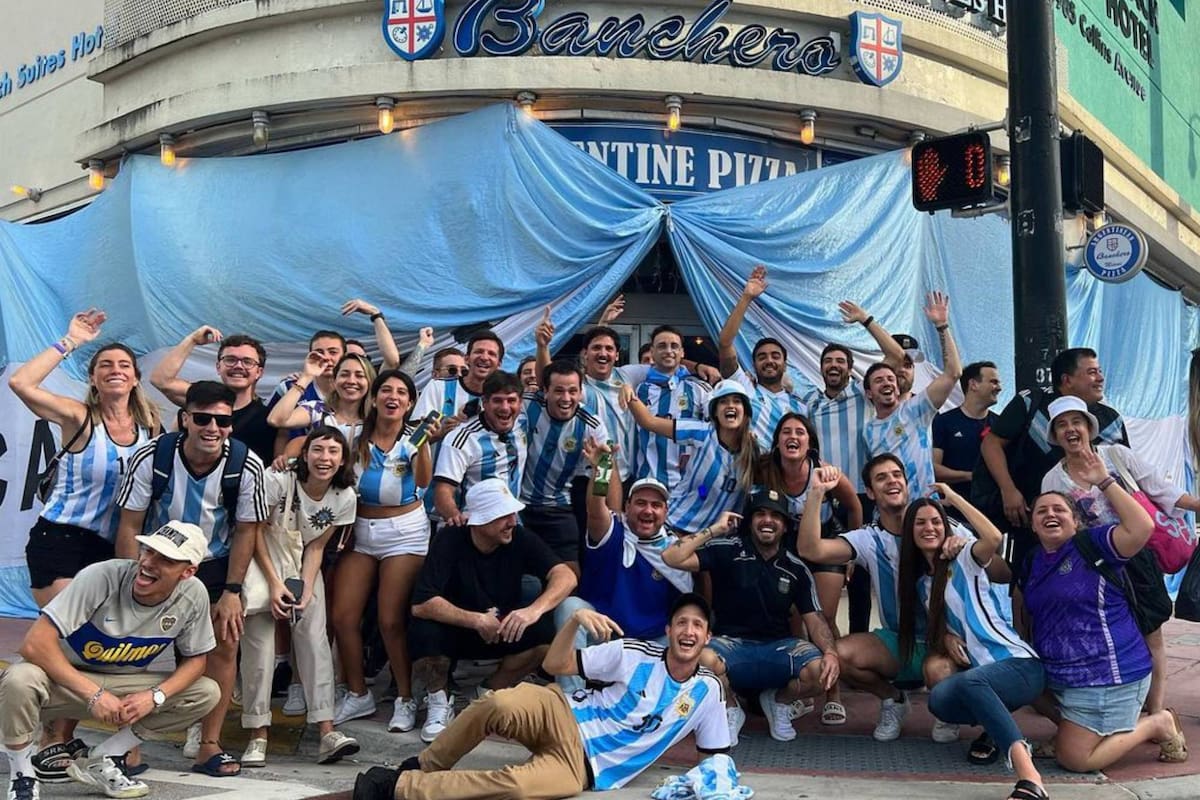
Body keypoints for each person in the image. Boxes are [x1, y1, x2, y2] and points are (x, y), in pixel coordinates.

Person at [351, 593, 729, 800]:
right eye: (682, 623)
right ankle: (423, 765)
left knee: (516, 787)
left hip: (585, 768)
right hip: (561, 712)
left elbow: (715, 761)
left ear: (707, 637)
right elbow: (554, 663)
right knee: (497, 703)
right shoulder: (633, 653)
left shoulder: (708, 691)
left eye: (697, 625)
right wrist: (574, 621)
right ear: (668, 630)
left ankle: (400, 788)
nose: (689, 631)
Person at [9, 309, 165, 782]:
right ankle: (42, 736)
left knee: (100, 645)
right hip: (59, 540)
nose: (115, 371)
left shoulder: (151, 430)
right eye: (105, 366)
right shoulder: (79, 417)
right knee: (70, 637)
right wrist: (71, 341)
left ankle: (62, 736)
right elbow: (20, 383)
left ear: (135, 379)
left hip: (112, 546)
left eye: (124, 365)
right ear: (94, 381)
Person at [0, 521, 220, 800]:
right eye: (148, 551)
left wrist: (154, 697)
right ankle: (22, 776)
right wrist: (95, 695)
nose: (148, 562)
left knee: (206, 692)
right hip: (66, 682)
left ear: (188, 572)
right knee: (19, 679)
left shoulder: (194, 594)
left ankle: (104, 757)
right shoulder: (102, 576)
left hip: (124, 685)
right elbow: (34, 643)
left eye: (165, 559)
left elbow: (196, 661)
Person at [115, 381, 268, 777]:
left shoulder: (246, 464)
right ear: (185, 419)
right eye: (202, 419)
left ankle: (209, 746)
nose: (213, 428)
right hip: (154, 560)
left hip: (213, 565)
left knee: (224, 647)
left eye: (223, 421)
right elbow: (130, 523)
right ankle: (125, 748)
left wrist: (233, 591)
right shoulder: (153, 456)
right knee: (133, 649)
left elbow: (247, 531)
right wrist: (130, 579)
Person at [1041, 396, 1200, 717]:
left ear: (1089, 428)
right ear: (1055, 436)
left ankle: (1156, 711)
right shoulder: (1052, 479)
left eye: (1077, 422)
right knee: (1108, 637)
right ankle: (1121, 707)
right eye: (1062, 425)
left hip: (1138, 560)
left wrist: (1196, 505)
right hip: (1092, 569)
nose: (1071, 429)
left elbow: (1161, 489)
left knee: (1151, 634)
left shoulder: (1117, 456)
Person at [1019, 469, 1187, 772]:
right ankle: (1079, 731)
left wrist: (1104, 481)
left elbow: (1141, 527)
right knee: (1022, 681)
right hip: (1061, 676)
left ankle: (1157, 723)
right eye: (1041, 511)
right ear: (1032, 524)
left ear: (1076, 520)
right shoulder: (1032, 560)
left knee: (1074, 759)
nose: (1050, 514)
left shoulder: (1094, 545)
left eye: (1059, 509)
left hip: (1107, 675)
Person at [894, 486, 1047, 800]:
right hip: (982, 678)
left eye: (936, 521)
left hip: (1019, 665)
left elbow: (993, 538)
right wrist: (945, 636)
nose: (929, 528)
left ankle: (1030, 778)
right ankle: (995, 729)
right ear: (909, 532)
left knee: (970, 682)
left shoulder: (964, 556)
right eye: (920, 523)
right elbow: (942, 623)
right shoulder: (922, 584)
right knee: (940, 700)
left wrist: (954, 499)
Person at [797, 456, 961, 742]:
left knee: (940, 671)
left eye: (897, 474)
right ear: (871, 492)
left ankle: (947, 712)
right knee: (839, 655)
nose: (892, 481)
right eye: (882, 477)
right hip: (899, 642)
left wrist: (964, 545)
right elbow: (811, 550)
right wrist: (816, 492)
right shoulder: (869, 538)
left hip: (947, 644)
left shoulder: (938, 525)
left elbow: (997, 567)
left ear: (907, 485)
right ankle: (893, 700)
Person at [663, 490, 841, 744]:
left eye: (776, 516)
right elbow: (671, 557)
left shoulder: (796, 568)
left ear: (785, 525)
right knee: (700, 658)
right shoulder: (727, 548)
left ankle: (779, 702)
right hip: (729, 647)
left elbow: (815, 620)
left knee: (823, 669)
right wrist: (714, 529)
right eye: (760, 514)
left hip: (778, 649)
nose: (767, 520)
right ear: (749, 521)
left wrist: (831, 653)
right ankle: (730, 707)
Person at [408, 479, 576, 743]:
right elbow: (422, 603)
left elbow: (566, 575)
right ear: (480, 520)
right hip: (456, 632)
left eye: (512, 514)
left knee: (547, 634)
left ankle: (488, 691)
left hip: (501, 629)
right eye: (502, 516)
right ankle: (439, 700)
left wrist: (532, 611)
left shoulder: (519, 537)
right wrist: (476, 620)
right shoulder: (450, 538)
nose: (512, 521)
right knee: (424, 630)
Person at [239, 427, 360, 766]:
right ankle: (257, 733)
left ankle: (327, 731)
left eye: (333, 452)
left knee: (314, 639)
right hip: (262, 558)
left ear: (343, 460)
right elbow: (254, 531)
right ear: (305, 454)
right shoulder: (279, 479)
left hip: (301, 561)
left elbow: (317, 546)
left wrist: (305, 589)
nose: (325, 458)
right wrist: (274, 582)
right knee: (260, 647)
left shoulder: (345, 496)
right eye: (318, 450)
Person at [331, 370, 435, 733]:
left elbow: (423, 481)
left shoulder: (415, 438)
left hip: (404, 532)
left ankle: (406, 697)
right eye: (386, 390)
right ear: (373, 398)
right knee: (343, 617)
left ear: (410, 403)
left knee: (390, 621)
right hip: (359, 529)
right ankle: (358, 693)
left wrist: (424, 445)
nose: (393, 397)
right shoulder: (353, 435)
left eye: (401, 392)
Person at [974, 347, 1128, 570]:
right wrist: (1008, 490)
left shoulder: (1111, 419)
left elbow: (1128, 475)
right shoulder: (1031, 402)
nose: (1100, 378)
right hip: (1032, 523)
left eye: (1100, 371)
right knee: (1032, 578)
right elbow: (991, 444)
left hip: (1103, 535)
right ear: (1067, 380)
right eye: (1092, 372)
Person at [756, 412, 861, 725]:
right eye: (786, 432)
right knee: (792, 616)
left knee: (823, 616)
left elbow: (854, 506)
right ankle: (800, 687)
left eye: (800, 432)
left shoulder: (824, 472)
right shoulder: (766, 470)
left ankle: (833, 692)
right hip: (789, 545)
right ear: (777, 441)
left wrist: (853, 552)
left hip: (825, 542)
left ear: (809, 442)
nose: (793, 437)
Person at [623, 379, 757, 540]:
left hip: (715, 542)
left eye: (737, 401)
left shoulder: (754, 451)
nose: (730, 406)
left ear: (745, 411)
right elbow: (649, 422)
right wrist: (627, 390)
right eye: (723, 402)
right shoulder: (702, 432)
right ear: (715, 412)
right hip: (675, 527)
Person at [861, 291, 962, 499]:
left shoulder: (918, 408)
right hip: (889, 511)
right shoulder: (868, 430)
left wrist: (942, 326)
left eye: (908, 365)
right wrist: (865, 319)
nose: (902, 370)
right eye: (897, 364)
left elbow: (953, 372)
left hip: (924, 509)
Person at [516, 360, 608, 571]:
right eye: (559, 391)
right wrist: (467, 410)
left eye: (573, 391)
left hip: (558, 509)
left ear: (581, 392)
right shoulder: (527, 403)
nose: (566, 398)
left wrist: (600, 468)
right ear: (545, 391)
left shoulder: (593, 426)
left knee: (571, 573)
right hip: (518, 505)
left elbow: (606, 473)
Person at [149, 326, 276, 464]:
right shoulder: (200, 397)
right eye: (230, 360)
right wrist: (192, 340)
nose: (238, 366)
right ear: (218, 367)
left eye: (247, 362)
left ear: (259, 372)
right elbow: (160, 380)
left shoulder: (269, 418)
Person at [716, 265, 808, 444]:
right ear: (753, 364)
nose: (769, 361)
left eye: (775, 356)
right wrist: (746, 297)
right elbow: (725, 343)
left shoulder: (801, 406)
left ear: (785, 364)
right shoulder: (744, 389)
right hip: (748, 463)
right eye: (762, 357)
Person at [432, 370, 528, 527]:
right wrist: (456, 517)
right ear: (485, 402)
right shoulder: (462, 438)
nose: (505, 408)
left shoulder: (523, 421)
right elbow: (443, 492)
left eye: (511, 400)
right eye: (497, 401)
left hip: (513, 523)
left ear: (520, 403)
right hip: (476, 526)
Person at [627, 325, 712, 487]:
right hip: (647, 482)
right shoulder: (639, 389)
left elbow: (715, 430)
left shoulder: (699, 389)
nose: (668, 351)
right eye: (662, 346)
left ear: (682, 352)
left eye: (674, 346)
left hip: (688, 485)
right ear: (652, 352)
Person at [267, 352, 376, 449]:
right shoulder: (317, 410)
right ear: (335, 380)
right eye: (344, 374)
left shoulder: (377, 418)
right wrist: (306, 377)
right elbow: (275, 420)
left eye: (359, 376)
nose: (351, 381)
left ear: (370, 381)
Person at [933, 361, 1002, 504]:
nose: (999, 388)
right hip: (954, 508)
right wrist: (970, 476)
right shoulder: (943, 422)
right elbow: (934, 469)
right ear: (973, 384)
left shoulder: (1001, 424)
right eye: (993, 382)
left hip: (993, 508)